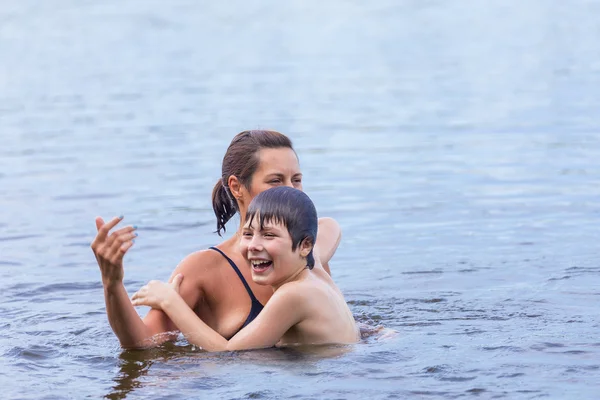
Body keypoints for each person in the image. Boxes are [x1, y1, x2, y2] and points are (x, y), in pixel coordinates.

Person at [91, 130, 342, 349]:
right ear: (235, 187)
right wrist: (112, 284)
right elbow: (142, 343)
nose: (291, 190)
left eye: (296, 180)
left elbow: (330, 226)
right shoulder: (204, 270)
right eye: (276, 181)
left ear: (305, 245)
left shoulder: (305, 250)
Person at [130, 187, 359, 351]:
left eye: (269, 235)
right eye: (248, 234)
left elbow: (228, 352)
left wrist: (171, 302)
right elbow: (332, 225)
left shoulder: (293, 294)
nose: (253, 246)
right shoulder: (315, 271)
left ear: (305, 245)